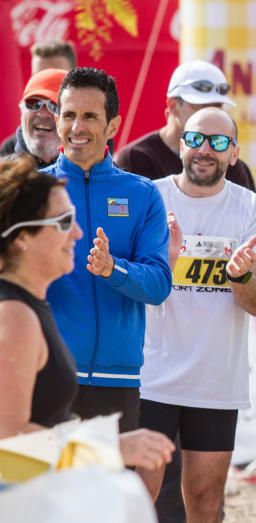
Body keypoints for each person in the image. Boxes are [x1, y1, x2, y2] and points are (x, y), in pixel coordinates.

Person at [136, 107, 256, 523]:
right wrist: (161, 261)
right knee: (140, 499)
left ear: (234, 153)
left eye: (218, 141)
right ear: (181, 143)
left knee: (205, 501)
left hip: (214, 384)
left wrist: (242, 275)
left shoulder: (250, 210)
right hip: (150, 376)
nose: (204, 149)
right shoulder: (150, 197)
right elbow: (131, 280)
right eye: (195, 137)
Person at [0, 156, 173, 470]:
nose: (78, 233)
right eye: (64, 221)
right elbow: (9, 445)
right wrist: (109, 449)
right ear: (22, 237)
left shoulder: (25, 305)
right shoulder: (14, 317)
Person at [43, 67, 171, 486]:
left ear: (113, 124)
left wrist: (113, 269)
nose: (76, 128)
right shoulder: (30, 191)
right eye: (68, 115)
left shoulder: (142, 194)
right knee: (42, 511)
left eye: (90, 117)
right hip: (45, 376)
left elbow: (158, 285)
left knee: (103, 519)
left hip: (116, 383)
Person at [115, 60, 256, 191]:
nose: (209, 115)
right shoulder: (134, 159)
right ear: (173, 105)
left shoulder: (230, 165)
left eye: (216, 106)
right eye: (201, 106)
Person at [1, 39, 76, 156]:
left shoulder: (95, 146)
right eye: (39, 75)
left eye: (56, 74)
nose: (43, 113)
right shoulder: (9, 150)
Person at [1, 69, 67, 168]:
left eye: (54, 106)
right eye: (34, 103)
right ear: (22, 110)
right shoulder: (4, 175)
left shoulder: (91, 173)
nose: (43, 114)